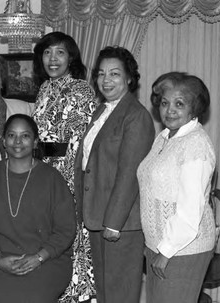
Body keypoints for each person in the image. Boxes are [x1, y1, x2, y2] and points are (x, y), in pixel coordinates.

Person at [74, 46, 155, 303]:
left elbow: (130, 172)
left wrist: (113, 222)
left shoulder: (136, 116)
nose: (105, 80)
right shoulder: (102, 110)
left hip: (120, 223)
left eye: (114, 74)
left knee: (120, 294)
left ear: (129, 78)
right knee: (106, 293)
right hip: (98, 216)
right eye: (100, 74)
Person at [0, 114, 76, 303]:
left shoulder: (52, 179)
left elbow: (66, 229)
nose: (17, 141)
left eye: (25, 136)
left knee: (33, 297)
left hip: (46, 260)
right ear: (4, 141)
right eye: (11, 135)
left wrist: (39, 257)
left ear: (35, 142)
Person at [137, 72, 216, 303]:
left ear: (195, 108)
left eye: (179, 104)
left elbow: (190, 207)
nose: (169, 110)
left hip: (182, 249)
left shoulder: (195, 144)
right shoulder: (165, 137)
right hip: (159, 245)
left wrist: (166, 251)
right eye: (164, 102)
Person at [32, 31, 96, 302]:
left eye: (60, 52)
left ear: (71, 57)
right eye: (47, 52)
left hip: (67, 175)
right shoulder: (45, 88)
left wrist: (59, 175)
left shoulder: (81, 89)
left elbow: (79, 143)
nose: (53, 58)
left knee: (71, 237)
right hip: (42, 171)